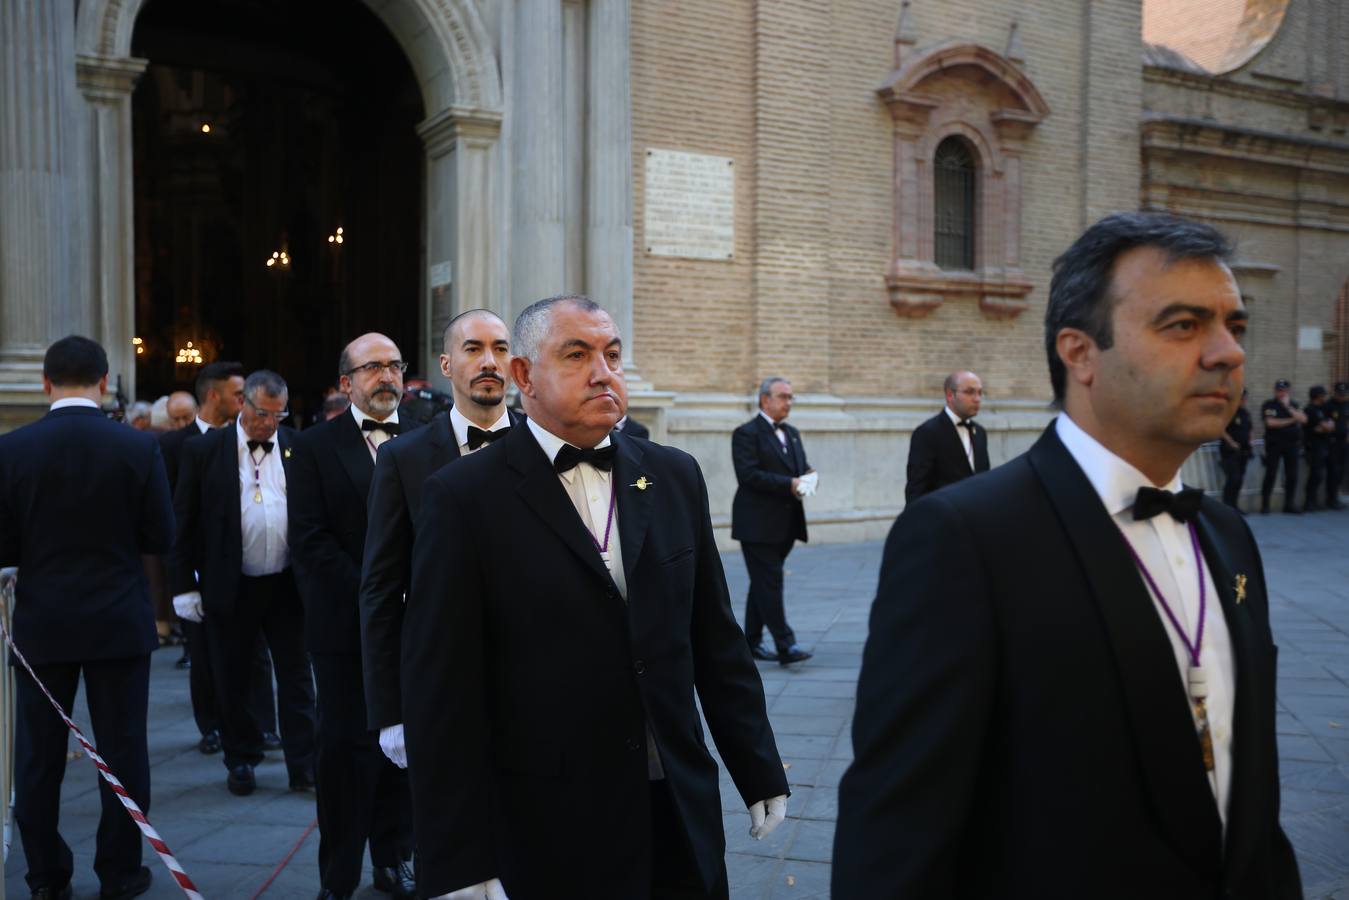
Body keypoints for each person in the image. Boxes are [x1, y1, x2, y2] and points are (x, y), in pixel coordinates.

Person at [834, 212, 1302, 899]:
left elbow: (1251, 803)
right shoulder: (964, 539)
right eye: (1182, 325)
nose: (1226, 353)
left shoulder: (1227, 535)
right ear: (1079, 353)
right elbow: (895, 838)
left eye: (1234, 326)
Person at [404, 295, 789, 900]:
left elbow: (714, 638)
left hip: (677, 802)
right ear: (524, 375)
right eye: (576, 354)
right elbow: (441, 689)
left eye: (612, 354)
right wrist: (460, 858)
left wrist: (758, 764)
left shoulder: (674, 475)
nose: (604, 371)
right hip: (550, 817)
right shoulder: (462, 496)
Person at [0, 335, 174, 900]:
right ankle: (120, 872)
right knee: (123, 754)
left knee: (37, 760)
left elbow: (4, 544)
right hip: (117, 620)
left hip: (43, 623)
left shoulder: (13, 449)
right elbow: (160, 536)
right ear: (104, 382)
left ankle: (46, 875)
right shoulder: (137, 448)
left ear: (46, 384)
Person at [360, 310, 522, 771]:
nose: (489, 361)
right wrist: (390, 711)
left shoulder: (545, 448)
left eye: (500, 349)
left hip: (536, 682)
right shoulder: (402, 459)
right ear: (447, 365)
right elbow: (380, 589)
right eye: (473, 349)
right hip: (443, 682)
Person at [289, 334, 417, 900]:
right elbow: (311, 542)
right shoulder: (314, 447)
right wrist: (378, 594)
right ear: (347, 383)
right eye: (372, 368)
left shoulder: (425, 440)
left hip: (415, 629)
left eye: (394, 366)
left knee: (405, 751)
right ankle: (338, 875)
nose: (386, 376)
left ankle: (396, 859)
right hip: (343, 630)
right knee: (343, 753)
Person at [169, 370, 317, 797]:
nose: (269, 423)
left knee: (297, 676)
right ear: (243, 405)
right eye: (261, 413)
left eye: (278, 414)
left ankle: (303, 764)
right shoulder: (204, 451)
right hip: (230, 584)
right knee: (232, 675)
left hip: (287, 583)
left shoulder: (295, 447)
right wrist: (184, 588)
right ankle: (241, 759)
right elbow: (184, 525)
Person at [159, 362, 278, 756]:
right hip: (202, 569)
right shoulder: (179, 445)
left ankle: (263, 723)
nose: (245, 400)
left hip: (251, 568)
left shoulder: (251, 439)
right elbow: (176, 513)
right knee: (205, 653)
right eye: (238, 394)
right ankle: (211, 724)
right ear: (215, 394)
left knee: (256, 652)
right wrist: (182, 581)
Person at [730, 377, 814, 665]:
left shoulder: (791, 433)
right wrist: (788, 483)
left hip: (787, 523)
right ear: (765, 400)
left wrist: (808, 476)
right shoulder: (746, 433)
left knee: (762, 582)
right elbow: (748, 475)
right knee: (770, 582)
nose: (788, 402)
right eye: (784, 397)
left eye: (791, 397)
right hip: (757, 524)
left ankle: (751, 641)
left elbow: (799, 467)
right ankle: (785, 645)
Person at [904, 370, 991, 503]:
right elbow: (916, 489)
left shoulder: (980, 432)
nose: (977, 399)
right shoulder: (927, 432)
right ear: (950, 395)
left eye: (980, 392)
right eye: (969, 392)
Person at [1260, 378, 1305, 514]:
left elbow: (1303, 419)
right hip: (1274, 444)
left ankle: (1289, 504)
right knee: (1271, 474)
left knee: (1292, 475)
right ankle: (1265, 505)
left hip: (1291, 444)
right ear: (1275, 391)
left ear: (1288, 391)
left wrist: (1289, 408)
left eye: (1283, 391)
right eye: (1279, 390)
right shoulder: (1269, 405)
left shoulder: (1293, 404)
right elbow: (1271, 423)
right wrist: (1292, 419)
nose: (1281, 393)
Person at [1219, 389, 1254, 510]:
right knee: (1233, 478)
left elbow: (1249, 429)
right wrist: (1231, 442)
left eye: (1245, 398)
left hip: (1243, 451)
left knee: (1239, 479)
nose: (1244, 401)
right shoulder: (1228, 412)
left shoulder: (1245, 413)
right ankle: (1227, 505)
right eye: (1242, 398)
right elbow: (1220, 429)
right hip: (1230, 452)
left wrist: (1250, 440)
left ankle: (1234, 505)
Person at [1302, 386, 1335, 512]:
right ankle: (1309, 502)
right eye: (1322, 395)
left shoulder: (1321, 409)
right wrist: (1325, 427)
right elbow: (1325, 427)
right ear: (1317, 396)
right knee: (1315, 475)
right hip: (1314, 447)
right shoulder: (1311, 410)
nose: (1324, 397)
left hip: (1323, 445)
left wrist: (1326, 427)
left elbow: (1329, 425)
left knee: (1320, 475)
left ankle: (1314, 501)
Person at [1328, 381, 1349, 510]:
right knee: (1333, 471)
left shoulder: (1347, 405)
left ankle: (1336, 497)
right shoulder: (1329, 405)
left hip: (1345, 443)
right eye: (1339, 394)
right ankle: (1331, 498)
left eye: (1344, 394)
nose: (1342, 396)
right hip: (1332, 442)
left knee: (1341, 470)